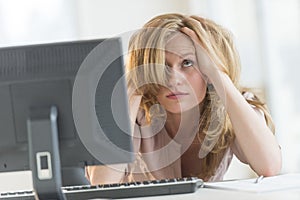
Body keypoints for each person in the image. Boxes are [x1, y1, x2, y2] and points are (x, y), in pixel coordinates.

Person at [85, 13, 282, 184]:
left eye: (187, 63)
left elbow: (269, 167)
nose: (173, 80)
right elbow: (101, 183)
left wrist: (218, 74)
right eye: (162, 66)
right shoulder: (134, 112)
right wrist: (130, 90)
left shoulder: (233, 109)